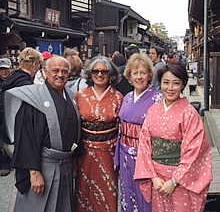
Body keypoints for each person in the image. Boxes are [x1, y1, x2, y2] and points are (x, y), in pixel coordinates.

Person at [4, 56, 82, 212]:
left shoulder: (71, 96)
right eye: (55, 71)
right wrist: (33, 171)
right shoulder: (34, 98)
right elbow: (25, 137)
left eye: (64, 71)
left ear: (69, 74)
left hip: (65, 164)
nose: (60, 75)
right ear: (45, 72)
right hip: (43, 165)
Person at [134, 62, 212, 212]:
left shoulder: (189, 114)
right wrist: (153, 177)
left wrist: (174, 181)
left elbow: (195, 152)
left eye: (176, 83)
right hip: (157, 178)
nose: (170, 88)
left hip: (180, 179)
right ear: (160, 83)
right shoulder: (152, 111)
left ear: (183, 85)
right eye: (166, 82)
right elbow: (144, 146)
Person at [114, 53, 163, 212]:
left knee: (145, 195)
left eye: (143, 73)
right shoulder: (127, 97)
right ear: (129, 76)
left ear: (150, 75)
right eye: (135, 73)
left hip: (146, 157)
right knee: (127, 193)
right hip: (125, 154)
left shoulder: (158, 99)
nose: (139, 77)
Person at [74, 55, 123, 212]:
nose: (100, 75)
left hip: (109, 152)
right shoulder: (80, 95)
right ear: (90, 73)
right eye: (95, 71)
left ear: (111, 74)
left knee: (108, 190)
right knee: (83, 189)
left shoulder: (118, 97)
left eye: (104, 71)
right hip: (84, 152)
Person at [1, 47, 43, 157]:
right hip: (19, 139)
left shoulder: (11, 80)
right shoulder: (27, 86)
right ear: (34, 64)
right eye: (39, 65)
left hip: (7, 135)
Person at [0, 58, 12, 176]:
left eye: (6, 69)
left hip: (9, 114)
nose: (4, 72)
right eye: (1, 69)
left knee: (7, 140)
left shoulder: (14, 82)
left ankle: (6, 164)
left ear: (11, 69)